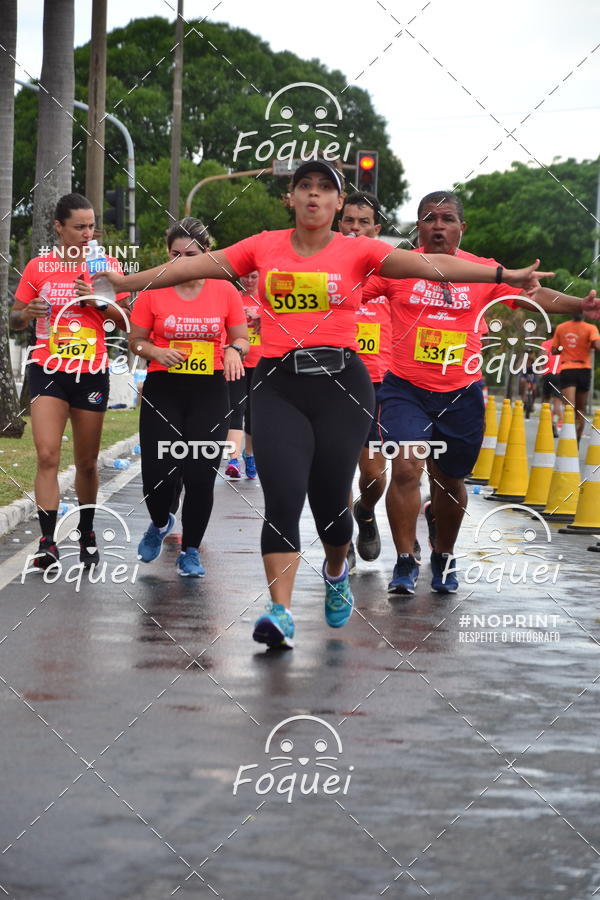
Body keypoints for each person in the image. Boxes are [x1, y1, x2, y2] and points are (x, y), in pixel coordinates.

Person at [97, 161, 549, 649]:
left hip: (342, 386)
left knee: (332, 503)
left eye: (325, 189)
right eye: (304, 187)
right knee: (283, 499)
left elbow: (431, 265)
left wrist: (506, 274)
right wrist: (125, 285)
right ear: (290, 199)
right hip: (277, 384)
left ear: (338, 204)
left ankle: (336, 570)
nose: (314, 195)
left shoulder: (360, 251)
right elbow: (192, 265)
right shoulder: (263, 245)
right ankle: (281, 612)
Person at [364, 190, 600, 595]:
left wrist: (581, 304)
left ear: (461, 227)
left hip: (461, 391)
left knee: (449, 480)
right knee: (405, 470)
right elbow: (350, 296)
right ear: (418, 226)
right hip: (406, 388)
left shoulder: (484, 271)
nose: (438, 225)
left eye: (447, 218)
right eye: (429, 218)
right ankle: (405, 561)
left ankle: (443, 556)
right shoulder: (398, 268)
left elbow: (531, 297)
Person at [11, 192, 129, 569]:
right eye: (79, 227)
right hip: (48, 367)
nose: (87, 233)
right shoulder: (38, 267)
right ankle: (47, 542)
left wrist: (99, 302)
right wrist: (26, 311)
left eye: (92, 226)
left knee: (87, 462)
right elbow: (13, 319)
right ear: (59, 228)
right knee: (47, 454)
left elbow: (125, 319)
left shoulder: (105, 266)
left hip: (90, 371)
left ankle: (88, 532)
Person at [129, 217, 249, 577]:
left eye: (190, 254)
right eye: (174, 254)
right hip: (163, 388)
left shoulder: (224, 290)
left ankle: (191, 550)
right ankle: (160, 520)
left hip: (209, 389)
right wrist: (153, 351)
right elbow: (135, 340)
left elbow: (241, 337)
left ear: (206, 254)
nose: (181, 261)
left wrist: (233, 350)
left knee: (200, 475)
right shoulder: (153, 290)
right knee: (157, 475)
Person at [337, 191, 394, 566]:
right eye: (348, 221)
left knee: (374, 474)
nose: (355, 228)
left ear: (376, 228)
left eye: (363, 222)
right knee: (337, 468)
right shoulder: (326, 270)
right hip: (336, 379)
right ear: (338, 224)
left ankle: (366, 512)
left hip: (381, 384)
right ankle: (341, 542)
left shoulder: (394, 271)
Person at [224, 270, 261, 480]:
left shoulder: (268, 299)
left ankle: (250, 456)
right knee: (235, 408)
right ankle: (233, 459)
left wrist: (262, 319)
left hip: (260, 364)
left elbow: (283, 325)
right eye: (245, 277)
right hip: (236, 362)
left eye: (254, 277)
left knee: (254, 413)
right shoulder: (234, 297)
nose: (248, 281)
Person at [552, 312, 600, 442]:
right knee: (580, 409)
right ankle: (576, 442)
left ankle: (571, 441)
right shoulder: (591, 328)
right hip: (584, 369)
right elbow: (597, 345)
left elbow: (554, 350)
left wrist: (565, 347)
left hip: (568, 369)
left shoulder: (561, 327)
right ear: (584, 314)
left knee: (569, 408)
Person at [539, 330, 562, 436]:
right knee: (557, 403)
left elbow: (542, 360)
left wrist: (540, 371)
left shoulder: (545, 344)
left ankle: (548, 423)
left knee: (546, 400)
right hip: (560, 375)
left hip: (548, 374)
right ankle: (556, 424)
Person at [518, 351, 538, 416]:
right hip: (524, 375)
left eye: (530, 353)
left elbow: (539, 367)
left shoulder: (534, 359)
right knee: (522, 382)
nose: (529, 354)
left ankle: (532, 403)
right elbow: (519, 367)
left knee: (534, 389)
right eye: (528, 353)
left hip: (532, 376)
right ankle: (523, 400)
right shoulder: (523, 360)